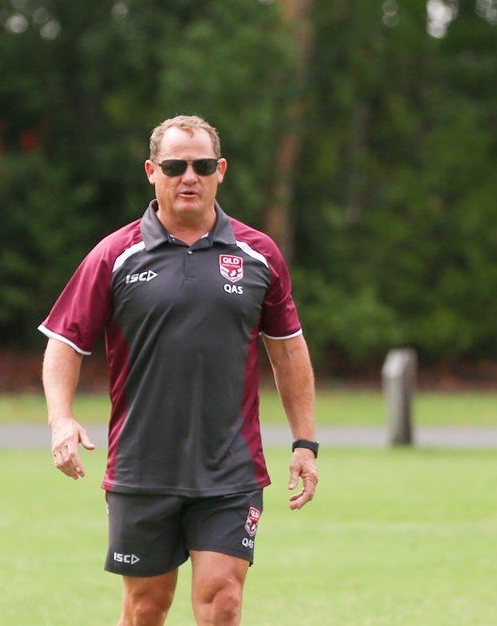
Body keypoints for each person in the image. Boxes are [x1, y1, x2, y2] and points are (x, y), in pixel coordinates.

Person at [38, 115, 320, 626]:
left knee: (223, 601)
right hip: (143, 466)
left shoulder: (258, 255)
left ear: (221, 171)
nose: (188, 176)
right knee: (146, 608)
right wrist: (61, 419)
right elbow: (65, 343)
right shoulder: (115, 254)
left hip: (230, 468)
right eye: (175, 165)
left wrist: (305, 443)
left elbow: (289, 350)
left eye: (202, 165)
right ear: (152, 171)